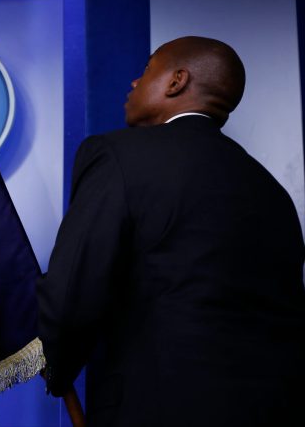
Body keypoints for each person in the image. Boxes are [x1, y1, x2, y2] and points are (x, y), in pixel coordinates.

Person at [36, 36, 305, 426]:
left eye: (146, 71)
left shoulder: (119, 154)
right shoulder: (273, 192)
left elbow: (73, 289)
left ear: (177, 81)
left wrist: (56, 368)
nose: (133, 83)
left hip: (155, 406)